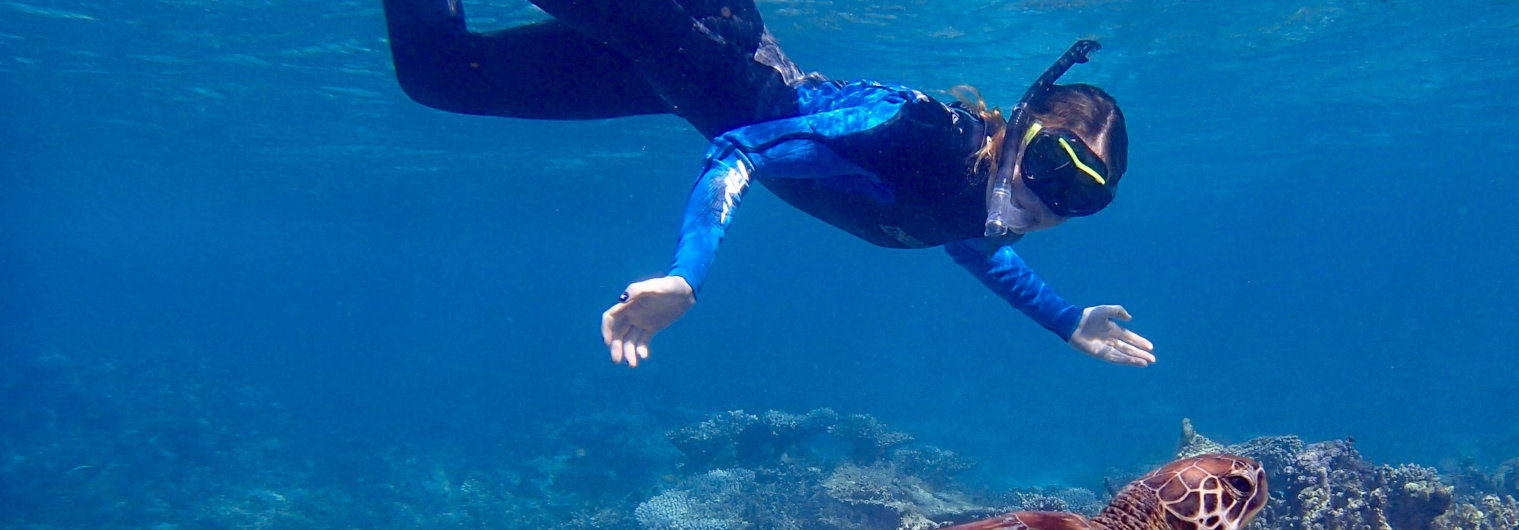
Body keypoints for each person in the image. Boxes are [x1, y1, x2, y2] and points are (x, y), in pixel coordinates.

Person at [381, 0, 1156, 367]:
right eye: (1052, 165)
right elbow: (741, 151)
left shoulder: (977, 204)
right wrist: (687, 275)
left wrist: (1065, 319)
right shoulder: (922, 140)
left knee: (439, 73)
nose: (1049, 201)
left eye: (1083, 196)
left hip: (676, 78)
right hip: (694, 36)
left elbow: (972, 243)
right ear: (1017, 127)